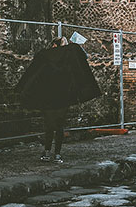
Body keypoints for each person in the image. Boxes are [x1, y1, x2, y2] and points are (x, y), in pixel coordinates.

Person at [16, 36, 101, 164]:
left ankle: (47, 152)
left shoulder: (44, 58)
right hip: (63, 97)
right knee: (59, 126)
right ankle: (57, 154)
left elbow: (34, 75)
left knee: (49, 126)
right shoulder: (68, 59)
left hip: (48, 97)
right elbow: (80, 63)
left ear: (54, 46)